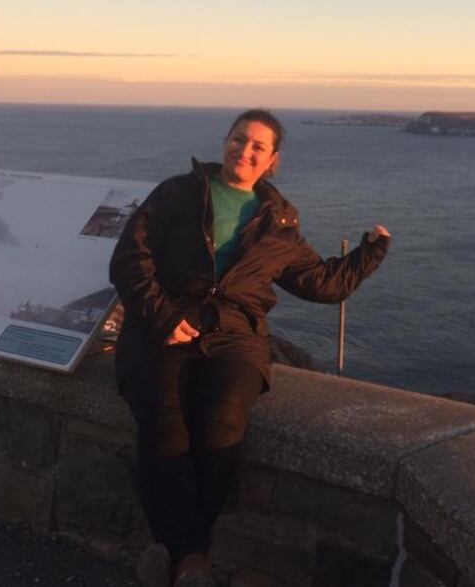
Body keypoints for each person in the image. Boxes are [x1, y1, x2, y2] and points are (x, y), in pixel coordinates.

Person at [109, 109, 390, 587]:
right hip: (164, 325)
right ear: (224, 143)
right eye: (239, 139)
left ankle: (173, 556)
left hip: (236, 335)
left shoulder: (279, 222)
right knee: (164, 426)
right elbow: (130, 259)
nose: (245, 150)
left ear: (272, 160)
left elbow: (320, 282)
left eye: (258, 146)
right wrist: (162, 316)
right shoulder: (178, 192)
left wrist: (369, 253)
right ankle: (193, 560)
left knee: (222, 427)